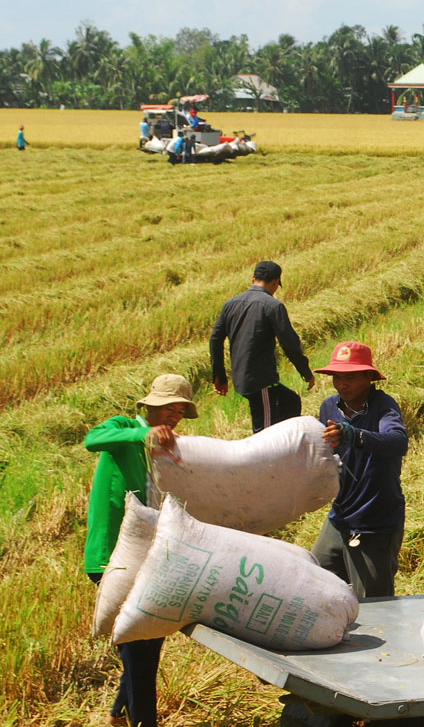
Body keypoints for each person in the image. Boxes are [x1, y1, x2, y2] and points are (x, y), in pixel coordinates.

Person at [83, 374, 195, 727]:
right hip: (111, 558)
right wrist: (140, 434)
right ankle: (144, 721)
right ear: (149, 406)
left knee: (149, 644)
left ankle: (119, 713)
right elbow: (92, 439)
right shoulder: (124, 429)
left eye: (180, 410)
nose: (174, 415)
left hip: (150, 559)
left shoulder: (168, 449)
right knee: (139, 650)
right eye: (169, 408)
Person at [310, 341, 409, 599]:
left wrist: (356, 436)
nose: (342, 384)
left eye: (350, 377)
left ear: (368, 376)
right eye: (337, 377)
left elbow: (398, 442)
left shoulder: (383, 406)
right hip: (340, 516)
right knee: (313, 583)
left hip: (374, 520)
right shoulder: (329, 407)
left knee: (375, 606)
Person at [210, 261, 315, 433]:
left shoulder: (231, 304)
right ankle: (268, 456)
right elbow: (290, 344)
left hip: (241, 377)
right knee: (265, 432)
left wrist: (219, 376)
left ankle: (288, 446)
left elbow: (215, 339)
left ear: (253, 279)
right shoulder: (273, 306)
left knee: (291, 401)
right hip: (261, 381)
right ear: (275, 283)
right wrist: (305, 372)